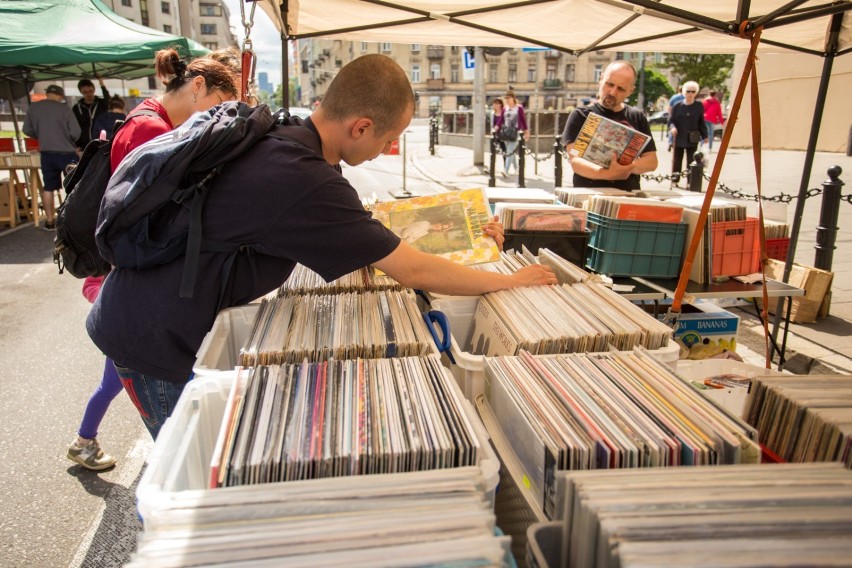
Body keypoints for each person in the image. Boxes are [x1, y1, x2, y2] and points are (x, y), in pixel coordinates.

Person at [86, 54, 556, 440]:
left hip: (151, 313)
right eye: (388, 141)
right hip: (153, 337)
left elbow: (376, 229)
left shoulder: (291, 137)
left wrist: (471, 233)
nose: (385, 151)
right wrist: (509, 281)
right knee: (193, 483)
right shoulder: (303, 179)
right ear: (361, 127)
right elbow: (411, 269)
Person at [67, 50, 238, 469]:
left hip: (128, 294)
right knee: (174, 443)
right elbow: (146, 223)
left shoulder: (153, 120)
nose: (218, 119)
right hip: (129, 292)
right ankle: (86, 442)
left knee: (123, 379)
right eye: (220, 106)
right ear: (198, 87)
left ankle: (84, 439)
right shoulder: (149, 129)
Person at [560, 61, 658, 192]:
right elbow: (576, 161)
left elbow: (651, 161)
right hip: (589, 195)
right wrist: (607, 174)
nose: (612, 92)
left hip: (627, 196)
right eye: (609, 84)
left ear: (630, 91)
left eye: (621, 88)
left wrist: (629, 167)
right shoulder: (581, 115)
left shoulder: (637, 117)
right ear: (601, 79)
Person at [22, 84, 81, 231]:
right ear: (60, 95)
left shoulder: (34, 108)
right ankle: (74, 220)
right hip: (67, 152)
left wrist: (42, 135)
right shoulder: (64, 109)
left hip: (47, 152)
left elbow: (26, 130)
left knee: (48, 187)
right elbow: (75, 132)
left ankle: (49, 221)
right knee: (74, 185)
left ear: (47, 94)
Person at [667, 81, 708, 187]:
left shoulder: (698, 106)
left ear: (696, 93)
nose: (690, 94)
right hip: (679, 136)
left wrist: (705, 136)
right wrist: (673, 128)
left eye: (693, 92)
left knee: (692, 160)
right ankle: (675, 180)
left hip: (692, 138)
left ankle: (690, 182)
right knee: (677, 160)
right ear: (684, 92)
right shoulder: (677, 106)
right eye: (688, 91)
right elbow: (671, 121)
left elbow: (701, 121)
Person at [494, 91, 529, 177]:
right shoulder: (505, 109)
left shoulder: (519, 108)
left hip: (515, 132)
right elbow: (500, 120)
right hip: (506, 132)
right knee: (510, 152)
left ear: (513, 98)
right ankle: (516, 169)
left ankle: (506, 170)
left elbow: (523, 120)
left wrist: (526, 132)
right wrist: (496, 128)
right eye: (506, 99)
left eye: (509, 98)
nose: (507, 100)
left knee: (509, 151)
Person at [72, 76, 111, 150]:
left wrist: (102, 84)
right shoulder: (77, 108)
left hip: (100, 142)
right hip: (84, 145)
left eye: (91, 91)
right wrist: (77, 144)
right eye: (85, 92)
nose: (89, 94)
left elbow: (108, 100)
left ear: (94, 90)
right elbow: (75, 126)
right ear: (80, 92)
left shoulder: (101, 103)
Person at [666, 87, 685, 151]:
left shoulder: (674, 97)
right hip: (682, 116)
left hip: (673, 115)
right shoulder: (685, 97)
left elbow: (670, 107)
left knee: (672, 129)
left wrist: (670, 115)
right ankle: (679, 144)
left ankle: (670, 143)